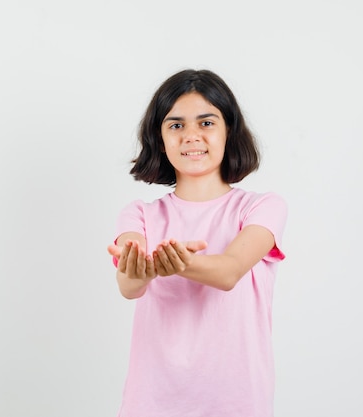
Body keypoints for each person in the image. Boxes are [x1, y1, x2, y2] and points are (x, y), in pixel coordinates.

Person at [107, 69, 288, 417]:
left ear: (229, 131)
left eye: (206, 123)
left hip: (236, 402)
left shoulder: (261, 207)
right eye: (176, 125)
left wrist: (175, 262)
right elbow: (129, 287)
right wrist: (140, 268)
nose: (191, 136)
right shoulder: (139, 215)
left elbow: (229, 272)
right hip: (151, 402)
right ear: (160, 140)